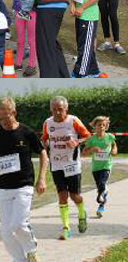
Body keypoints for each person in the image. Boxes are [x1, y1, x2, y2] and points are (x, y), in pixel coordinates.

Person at [0, 97, 46, 262]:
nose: (2, 122)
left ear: (14, 113)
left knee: (18, 224)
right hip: (3, 188)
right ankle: (20, 260)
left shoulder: (26, 132)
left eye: (6, 117)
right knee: (6, 233)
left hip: (24, 185)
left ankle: (31, 249)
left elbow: (43, 153)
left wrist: (42, 178)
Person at [41, 96, 91, 240]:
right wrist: (43, 143)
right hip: (56, 164)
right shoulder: (47, 122)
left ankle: (82, 213)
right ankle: (66, 228)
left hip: (72, 164)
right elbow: (44, 138)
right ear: (51, 110)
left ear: (66, 109)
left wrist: (77, 142)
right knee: (62, 195)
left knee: (74, 196)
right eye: (54, 110)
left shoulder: (73, 120)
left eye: (60, 109)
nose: (57, 113)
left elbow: (87, 135)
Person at [82, 116, 117, 218]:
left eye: (103, 125)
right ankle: (103, 198)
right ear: (95, 126)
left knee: (102, 184)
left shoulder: (110, 137)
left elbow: (114, 145)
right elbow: (84, 152)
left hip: (107, 166)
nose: (101, 127)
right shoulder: (92, 139)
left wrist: (114, 151)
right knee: (100, 188)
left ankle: (101, 206)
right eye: (99, 125)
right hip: (96, 167)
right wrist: (92, 149)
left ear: (106, 127)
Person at [8, 0, 38, 76]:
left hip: (31, 12)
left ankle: (32, 65)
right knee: (20, 40)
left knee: (31, 40)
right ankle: (18, 62)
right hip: (19, 12)